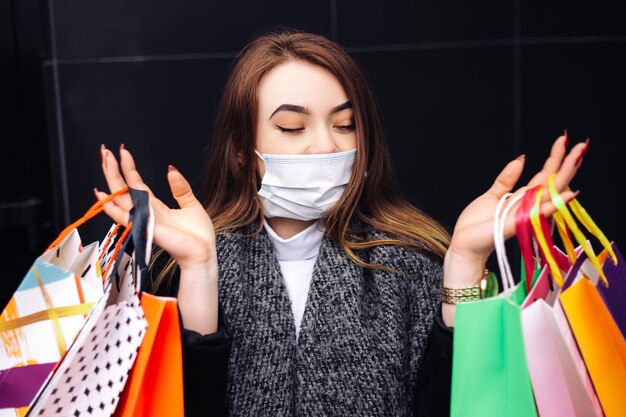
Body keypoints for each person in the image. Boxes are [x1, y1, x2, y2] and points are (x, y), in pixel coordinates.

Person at [94, 28, 586, 417]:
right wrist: (200, 273)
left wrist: (462, 264)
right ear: (243, 152)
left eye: (345, 124)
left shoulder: (408, 266)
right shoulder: (174, 272)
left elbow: (461, 404)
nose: (326, 145)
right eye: (292, 127)